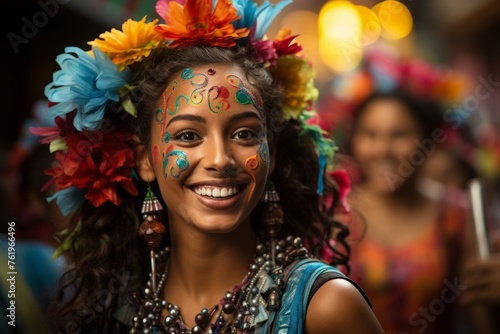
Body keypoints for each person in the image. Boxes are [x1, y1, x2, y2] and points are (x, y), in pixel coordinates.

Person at [35, 0, 384, 333]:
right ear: (144, 159)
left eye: (244, 133)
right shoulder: (115, 303)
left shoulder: (327, 307)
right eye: (188, 135)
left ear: (270, 153)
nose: (220, 159)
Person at [318, 48, 486, 333]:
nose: (383, 149)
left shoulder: (457, 213)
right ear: (353, 142)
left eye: (399, 134)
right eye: (370, 134)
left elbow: (482, 315)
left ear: (427, 141)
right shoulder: (333, 214)